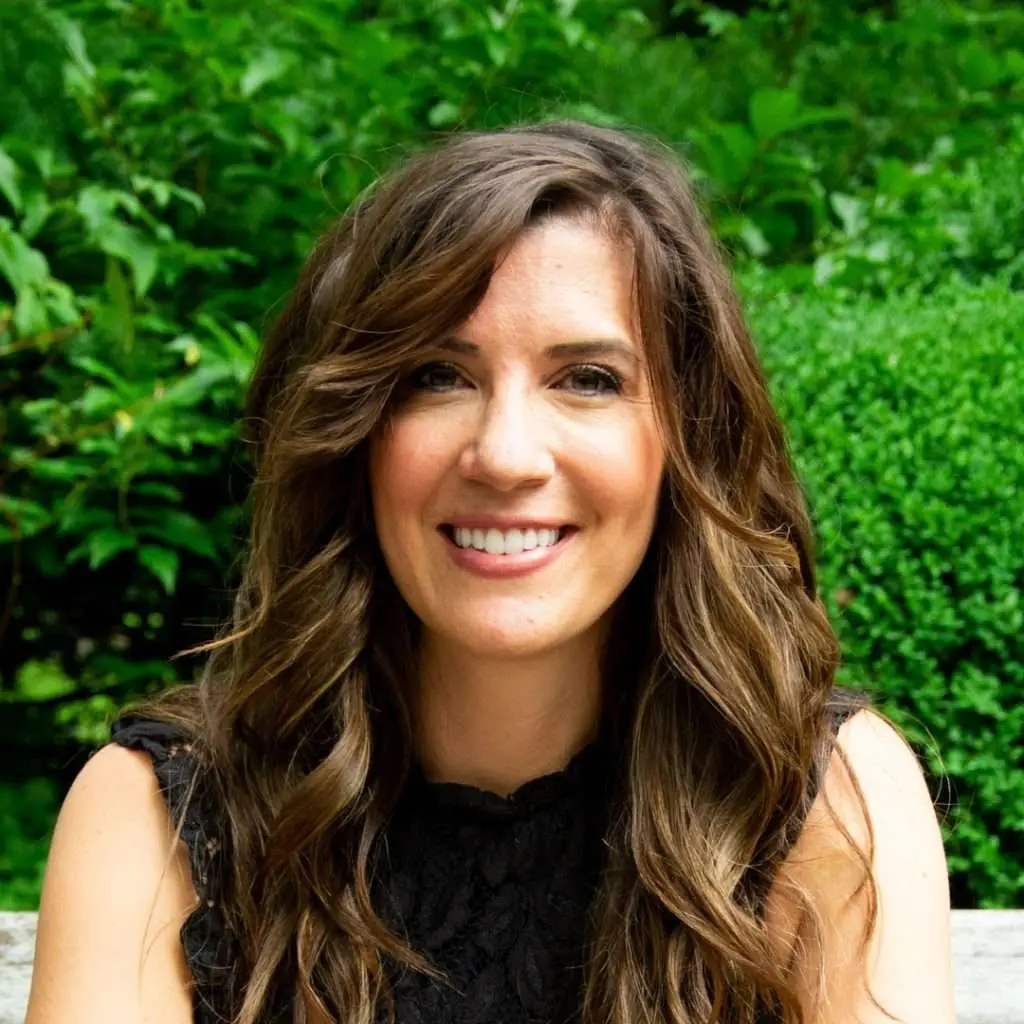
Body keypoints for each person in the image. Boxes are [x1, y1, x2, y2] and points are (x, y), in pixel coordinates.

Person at [26, 120, 953, 1024]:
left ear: (687, 439)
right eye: (436, 375)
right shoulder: (157, 821)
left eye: (587, 378)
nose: (505, 455)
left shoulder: (823, 801)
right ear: (352, 434)